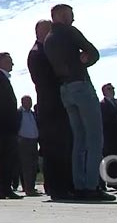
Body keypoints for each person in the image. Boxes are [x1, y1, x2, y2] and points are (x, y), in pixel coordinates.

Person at [43, 4, 114, 201]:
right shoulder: (70, 32)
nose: (72, 19)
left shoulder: (48, 39)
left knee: (79, 140)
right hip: (80, 85)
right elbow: (94, 52)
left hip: (65, 89)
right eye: (70, 15)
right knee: (94, 138)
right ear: (62, 15)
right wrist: (84, 60)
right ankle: (92, 185)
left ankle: (80, 184)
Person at [27, 19, 73, 199]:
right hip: (50, 107)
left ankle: (64, 185)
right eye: (48, 30)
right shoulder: (37, 53)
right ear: (38, 32)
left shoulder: (47, 51)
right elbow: (45, 81)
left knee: (62, 147)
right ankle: (56, 188)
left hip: (57, 106)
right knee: (54, 149)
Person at [0, 52, 22, 199]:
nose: (12, 64)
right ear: (1, 62)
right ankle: (5, 189)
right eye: (10, 61)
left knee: (8, 158)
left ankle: (5, 188)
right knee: (6, 158)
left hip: (6, 125)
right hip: (5, 126)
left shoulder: (1, 79)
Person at [17, 96, 41, 197]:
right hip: (24, 141)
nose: (29, 103)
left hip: (34, 141)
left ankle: (32, 186)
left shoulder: (32, 114)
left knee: (34, 166)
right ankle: (28, 188)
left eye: (30, 101)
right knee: (26, 166)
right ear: (22, 102)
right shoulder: (19, 113)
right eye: (27, 101)